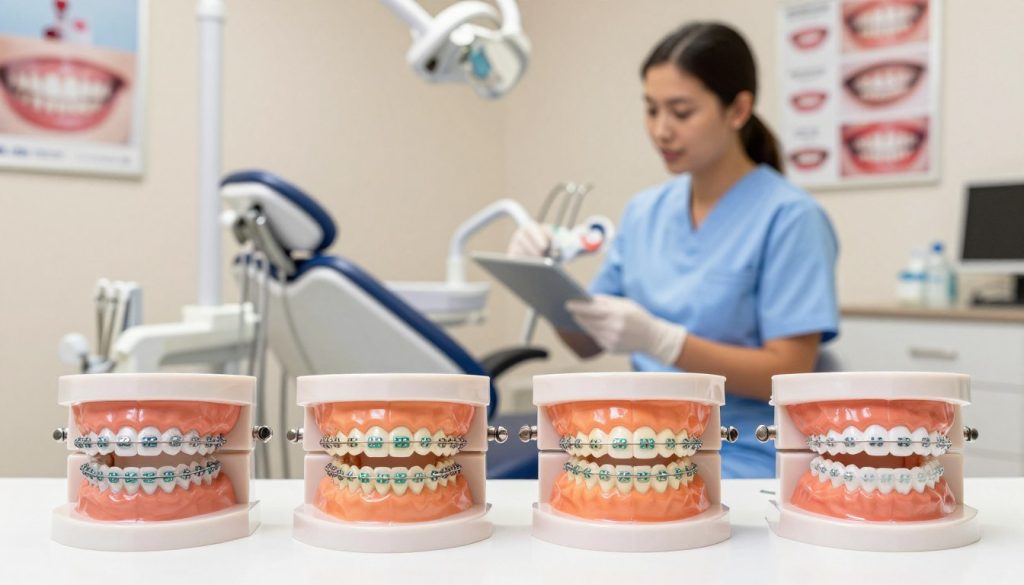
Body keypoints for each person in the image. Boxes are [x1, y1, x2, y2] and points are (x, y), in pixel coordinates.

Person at [508, 22, 839, 478]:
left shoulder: (790, 218)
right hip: (643, 440)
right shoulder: (645, 211)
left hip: (743, 449)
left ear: (738, 109)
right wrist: (538, 276)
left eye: (681, 112)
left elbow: (789, 372)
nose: (661, 130)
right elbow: (586, 342)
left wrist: (665, 341)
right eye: (651, 110)